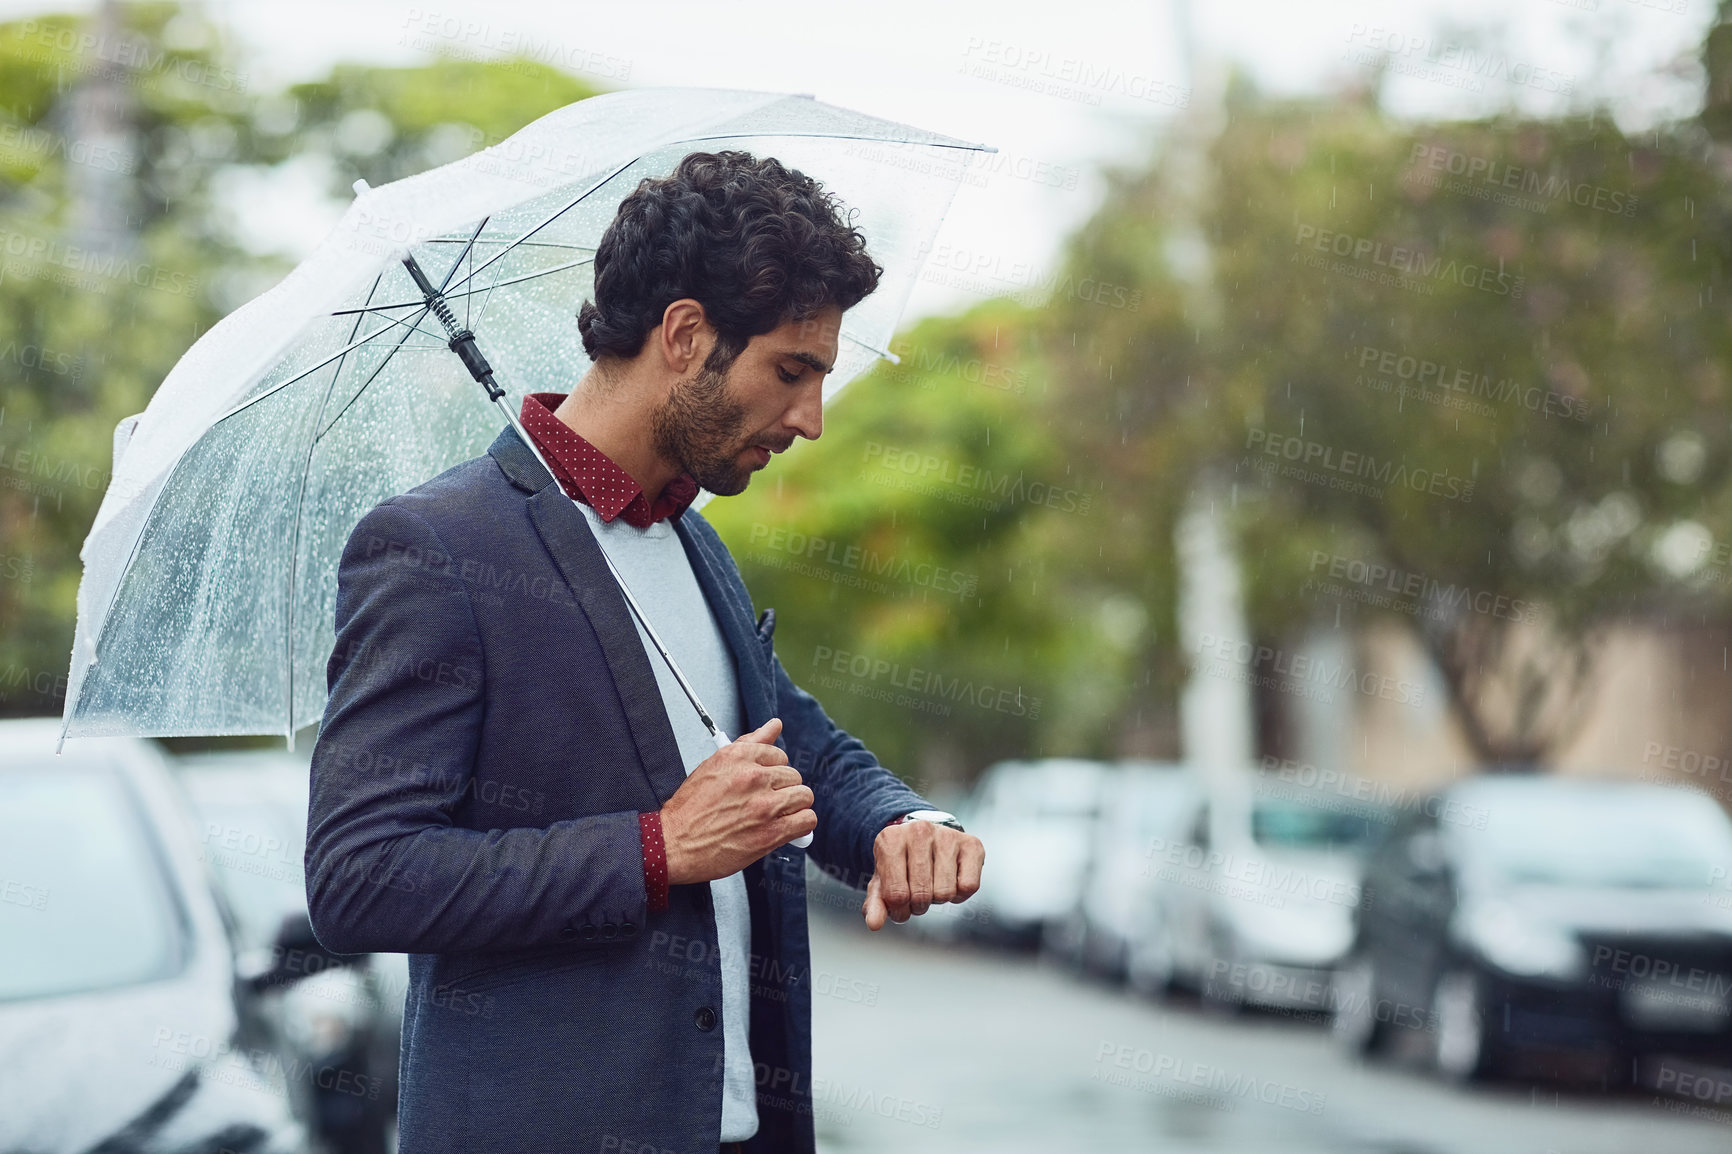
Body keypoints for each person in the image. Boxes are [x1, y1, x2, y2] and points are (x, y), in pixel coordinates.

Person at [304, 149, 986, 1154]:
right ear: (683, 333)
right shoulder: (436, 547)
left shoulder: (693, 538)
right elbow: (361, 875)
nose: (810, 419)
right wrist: (654, 846)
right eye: (790, 371)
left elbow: (785, 737)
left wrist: (899, 819)